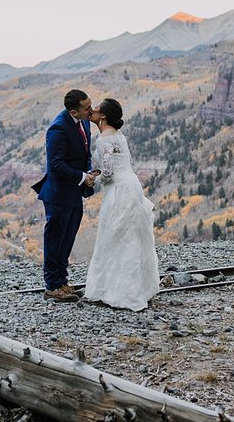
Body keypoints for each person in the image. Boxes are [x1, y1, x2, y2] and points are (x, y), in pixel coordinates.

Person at [83, 98, 159, 311]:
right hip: (131, 185)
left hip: (118, 190)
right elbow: (122, 163)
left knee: (116, 236)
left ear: (103, 116)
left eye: (96, 109)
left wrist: (93, 179)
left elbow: (108, 172)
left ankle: (118, 292)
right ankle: (137, 289)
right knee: (132, 236)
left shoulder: (104, 139)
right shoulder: (119, 136)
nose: (93, 111)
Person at [31, 89, 99, 302]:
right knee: (55, 239)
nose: (92, 110)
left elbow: (85, 152)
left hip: (74, 192)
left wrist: (88, 172)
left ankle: (62, 281)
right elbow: (56, 165)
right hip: (59, 194)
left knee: (68, 237)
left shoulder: (84, 121)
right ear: (73, 111)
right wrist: (81, 177)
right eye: (87, 108)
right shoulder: (58, 128)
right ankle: (52, 285)